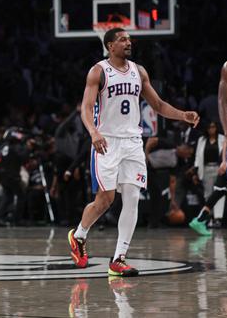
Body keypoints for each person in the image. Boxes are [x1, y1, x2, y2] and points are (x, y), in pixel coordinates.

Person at [68, 28, 199, 277]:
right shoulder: (98, 71)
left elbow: (158, 105)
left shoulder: (139, 71)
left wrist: (183, 115)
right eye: (122, 39)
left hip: (132, 142)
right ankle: (79, 235)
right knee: (105, 200)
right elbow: (85, 109)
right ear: (110, 46)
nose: (128, 42)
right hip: (106, 142)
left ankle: (119, 259)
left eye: (129, 39)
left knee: (132, 198)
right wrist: (94, 133)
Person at [189, 59, 227, 236]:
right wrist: (225, 159)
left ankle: (200, 219)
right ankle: (200, 219)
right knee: (220, 189)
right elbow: (222, 101)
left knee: (221, 189)